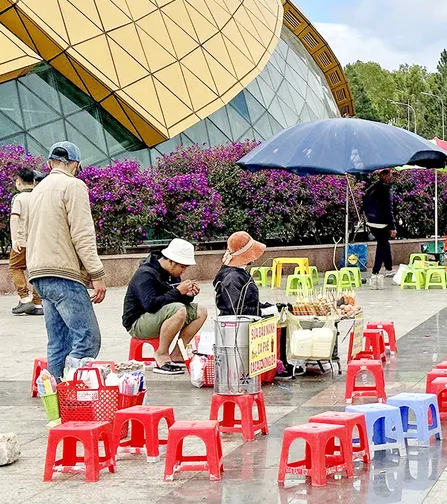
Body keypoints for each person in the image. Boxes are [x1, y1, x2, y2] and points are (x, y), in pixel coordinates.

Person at [23, 142, 105, 380]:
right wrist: (97, 274)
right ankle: (74, 389)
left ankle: (55, 395)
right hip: (63, 273)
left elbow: (26, 233)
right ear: (76, 164)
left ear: (50, 163)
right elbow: (82, 234)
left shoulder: (36, 190)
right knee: (88, 339)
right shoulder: (74, 185)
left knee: (59, 342)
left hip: (39, 274)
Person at [121, 238, 207, 374]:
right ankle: (161, 354)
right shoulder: (145, 274)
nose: (184, 271)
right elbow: (150, 305)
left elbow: (174, 300)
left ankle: (177, 354)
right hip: (137, 322)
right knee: (178, 310)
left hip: (159, 315)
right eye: (182, 267)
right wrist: (178, 291)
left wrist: (188, 295)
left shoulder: (172, 274)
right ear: (171, 261)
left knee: (201, 311)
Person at [9, 168, 42, 316]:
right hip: (38, 241)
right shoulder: (39, 196)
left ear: (19, 182)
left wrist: (14, 239)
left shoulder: (19, 198)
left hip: (22, 241)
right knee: (36, 270)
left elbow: (14, 218)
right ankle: (37, 303)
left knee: (15, 267)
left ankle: (24, 298)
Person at [213, 231, 271, 316]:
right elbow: (236, 310)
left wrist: (270, 307)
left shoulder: (240, 272)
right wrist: (264, 312)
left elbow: (250, 302)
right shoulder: (232, 278)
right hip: (236, 322)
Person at [363, 169, 396, 277]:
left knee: (385, 243)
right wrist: (392, 227)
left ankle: (388, 267)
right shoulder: (386, 189)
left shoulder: (372, 187)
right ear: (385, 176)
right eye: (390, 175)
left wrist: (368, 215)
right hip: (382, 222)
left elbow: (365, 202)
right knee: (382, 245)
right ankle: (375, 271)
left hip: (371, 221)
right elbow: (388, 209)